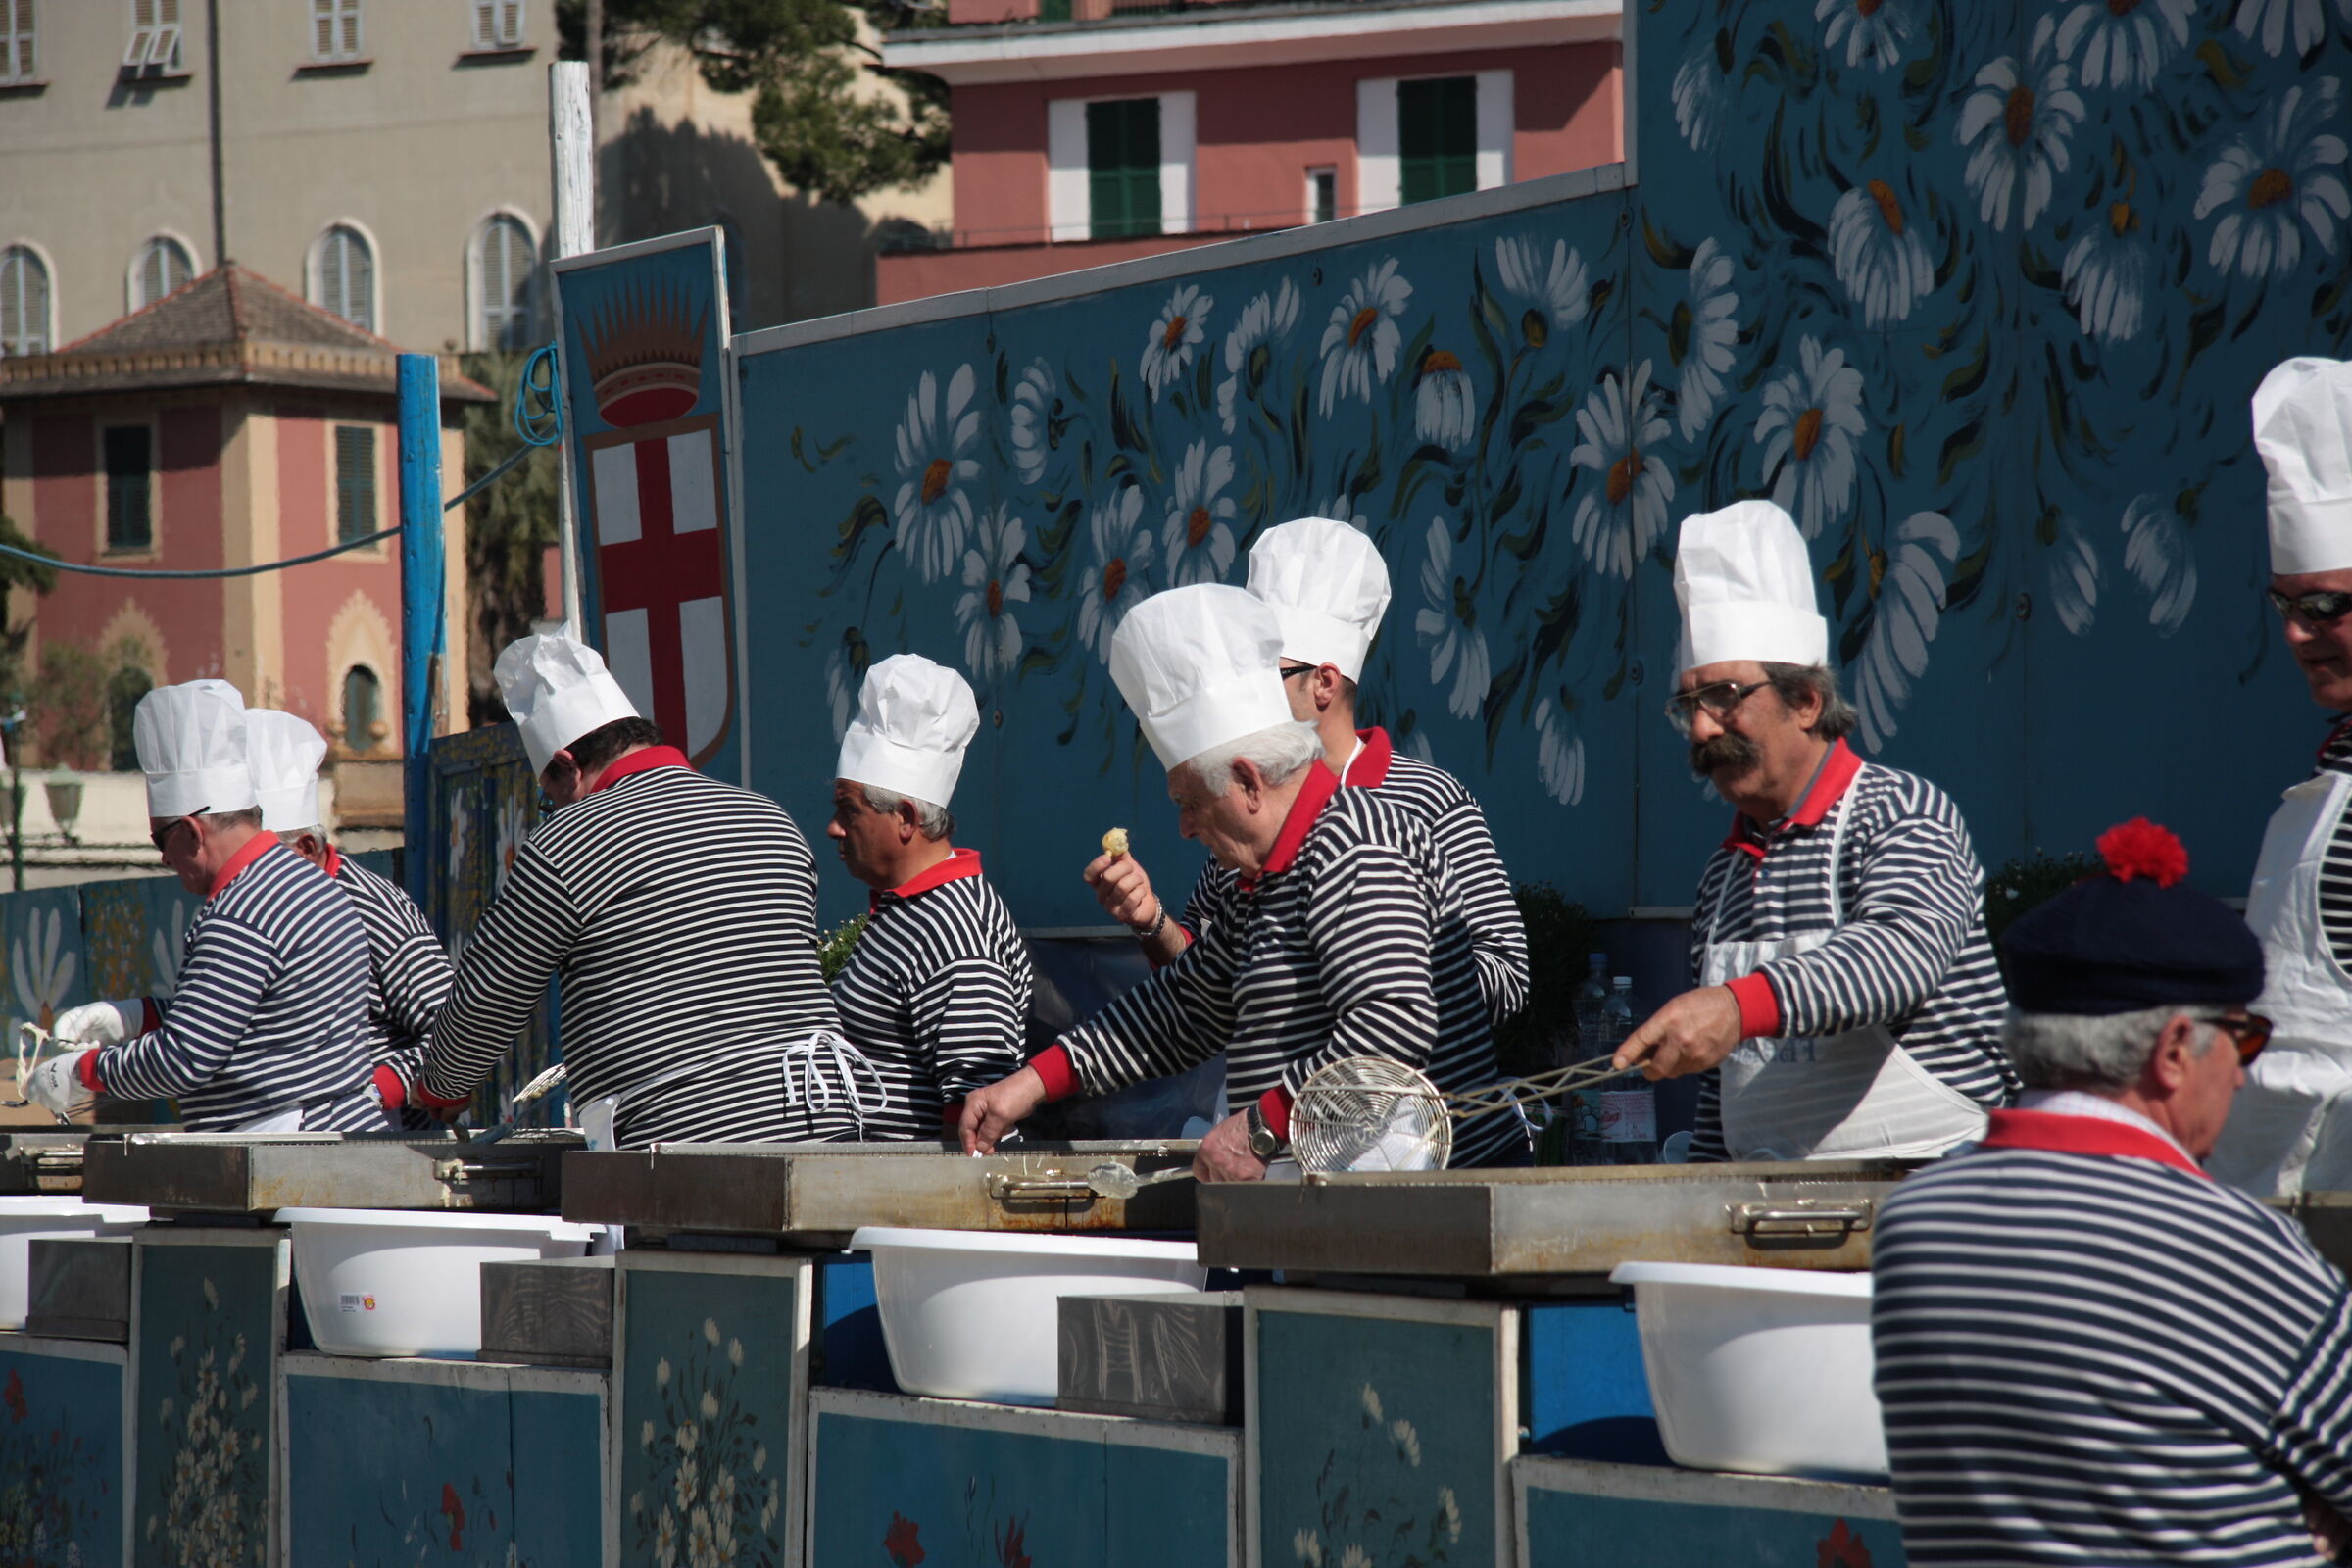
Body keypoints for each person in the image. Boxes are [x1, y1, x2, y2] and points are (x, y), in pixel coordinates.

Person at [1871, 817, 2352, 1567]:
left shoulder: (1915, 1222)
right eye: (2245, 1039)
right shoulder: (2231, 1248)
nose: (2243, 1073)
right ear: (2170, 1053)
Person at [959, 583, 1527, 1177]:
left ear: (1250, 783)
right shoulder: (1256, 882)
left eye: (1192, 802)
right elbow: (1182, 1008)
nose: (1183, 827)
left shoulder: (1354, 842)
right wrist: (1030, 1083)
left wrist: (1260, 1129)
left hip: (1415, 1205)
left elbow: (1392, 1019)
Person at [1612, 501, 2013, 1161]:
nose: (1704, 727)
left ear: (1807, 701)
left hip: (1929, 1200)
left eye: (1726, 697)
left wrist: (1738, 1007)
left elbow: (1898, 955)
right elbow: (1724, 1100)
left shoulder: (1902, 813)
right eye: (1690, 704)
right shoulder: (1724, 877)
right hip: (1766, 1222)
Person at [1082, 515, 1530, 1025]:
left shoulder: (1432, 801)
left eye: (1266, 671)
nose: (1246, 684)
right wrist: (1152, 922)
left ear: (1324, 682)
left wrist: (1373, 965)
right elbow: (1209, 989)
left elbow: (1508, 977)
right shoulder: (1247, 811)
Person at [412, 635, 842, 1147]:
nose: (553, 814)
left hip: (684, 1141)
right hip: (827, 1122)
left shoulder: (568, 843)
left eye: (551, 799)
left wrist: (439, 1088)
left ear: (569, 765)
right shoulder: (769, 818)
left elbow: (490, 994)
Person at [28, 680, 383, 1132]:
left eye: (161, 839)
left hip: (284, 1148)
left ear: (194, 833)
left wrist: (84, 1073)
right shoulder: (306, 883)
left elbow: (184, 1057)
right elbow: (255, 1017)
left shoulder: (243, 910)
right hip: (332, 1134)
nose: (163, 858)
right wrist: (136, 1016)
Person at [2210, 357, 2352, 1197]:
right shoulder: (2326, 779)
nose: (2300, 635)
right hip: (2272, 1221)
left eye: (2327, 606)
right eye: (2286, 607)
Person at [820, 654, 1031, 1140]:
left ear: (907, 819)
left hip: (911, 1214)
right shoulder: (909, 909)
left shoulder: (957, 931)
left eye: (848, 811)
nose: (833, 828)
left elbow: (983, 1121)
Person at [246, 707, 452, 1133]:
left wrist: (376, 1093)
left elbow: (454, 1032)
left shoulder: (374, 910)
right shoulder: (256, 914)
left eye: (260, 861)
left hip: (377, 1149)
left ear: (306, 848)